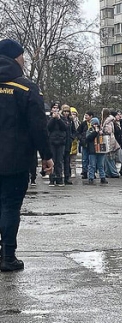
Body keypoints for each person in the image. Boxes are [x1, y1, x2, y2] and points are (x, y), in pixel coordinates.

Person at [0, 38, 54, 271]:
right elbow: (38, 127)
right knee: (10, 207)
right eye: (22, 55)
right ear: (16, 57)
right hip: (15, 161)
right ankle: (8, 256)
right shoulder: (26, 88)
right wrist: (47, 156)